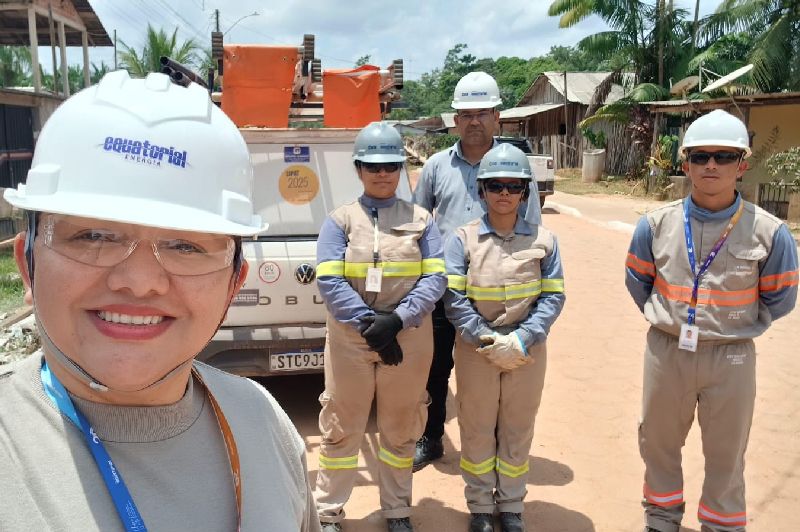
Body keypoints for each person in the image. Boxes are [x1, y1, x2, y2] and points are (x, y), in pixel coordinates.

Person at [0, 70, 320, 532]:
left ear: (234, 285)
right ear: (28, 266)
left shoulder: (262, 420)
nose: (140, 281)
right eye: (94, 236)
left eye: (185, 246)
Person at [625, 109, 798, 532]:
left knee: (726, 453)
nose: (711, 166)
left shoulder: (771, 233)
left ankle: (720, 524)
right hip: (667, 351)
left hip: (732, 356)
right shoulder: (654, 225)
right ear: (685, 163)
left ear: (743, 163)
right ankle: (661, 518)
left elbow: (781, 297)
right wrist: (671, 319)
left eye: (724, 156)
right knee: (658, 443)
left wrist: (732, 325)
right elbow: (638, 283)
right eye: (701, 157)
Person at [313, 122, 447, 532]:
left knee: (401, 425)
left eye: (391, 165)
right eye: (373, 166)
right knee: (341, 425)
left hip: (408, 336)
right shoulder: (339, 221)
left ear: (402, 168)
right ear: (358, 169)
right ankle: (329, 513)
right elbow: (329, 279)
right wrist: (371, 325)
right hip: (351, 340)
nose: (383, 173)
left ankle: (397, 511)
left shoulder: (422, 219)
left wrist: (399, 320)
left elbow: (436, 277)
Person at [411, 71, 542, 470]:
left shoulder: (515, 166)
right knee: (434, 369)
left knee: (495, 367)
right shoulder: (436, 166)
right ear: (455, 119)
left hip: (497, 291)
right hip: (444, 289)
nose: (473, 121)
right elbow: (420, 224)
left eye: (482, 113)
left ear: (497, 117)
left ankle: (496, 446)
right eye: (465, 113)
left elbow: (531, 229)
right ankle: (431, 437)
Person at [443, 144, 565, 532]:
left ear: (526, 192)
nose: (505, 194)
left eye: (514, 186)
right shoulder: (462, 239)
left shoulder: (545, 240)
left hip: (527, 351)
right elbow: (454, 298)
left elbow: (553, 295)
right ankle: (480, 506)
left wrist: (524, 338)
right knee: (477, 427)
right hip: (476, 351)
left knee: (517, 427)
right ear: (481, 191)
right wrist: (484, 338)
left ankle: (511, 506)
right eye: (495, 186)